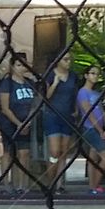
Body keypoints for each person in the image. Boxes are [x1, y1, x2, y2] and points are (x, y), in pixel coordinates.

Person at [0, 52, 39, 195]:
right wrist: (18, 123)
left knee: (24, 153)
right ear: (12, 66)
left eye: (24, 65)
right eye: (19, 65)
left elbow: (34, 104)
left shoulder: (30, 82)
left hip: (26, 121)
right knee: (8, 152)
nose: (22, 68)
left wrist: (27, 121)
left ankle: (22, 185)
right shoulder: (7, 83)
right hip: (9, 122)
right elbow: (5, 107)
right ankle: (6, 184)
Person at [43, 51, 78, 192]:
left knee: (64, 151)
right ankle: (51, 181)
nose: (68, 62)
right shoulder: (50, 75)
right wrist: (55, 83)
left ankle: (60, 184)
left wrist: (76, 110)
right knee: (54, 151)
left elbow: (74, 94)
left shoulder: (73, 76)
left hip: (67, 116)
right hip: (52, 116)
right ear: (58, 60)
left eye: (70, 59)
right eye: (65, 59)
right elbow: (46, 97)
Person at [76, 65, 105, 195]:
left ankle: (92, 187)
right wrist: (100, 130)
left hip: (99, 128)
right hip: (90, 128)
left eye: (97, 74)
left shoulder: (96, 93)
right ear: (86, 75)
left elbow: (102, 112)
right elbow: (88, 112)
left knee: (94, 158)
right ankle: (95, 185)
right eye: (92, 73)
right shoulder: (82, 92)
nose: (95, 76)